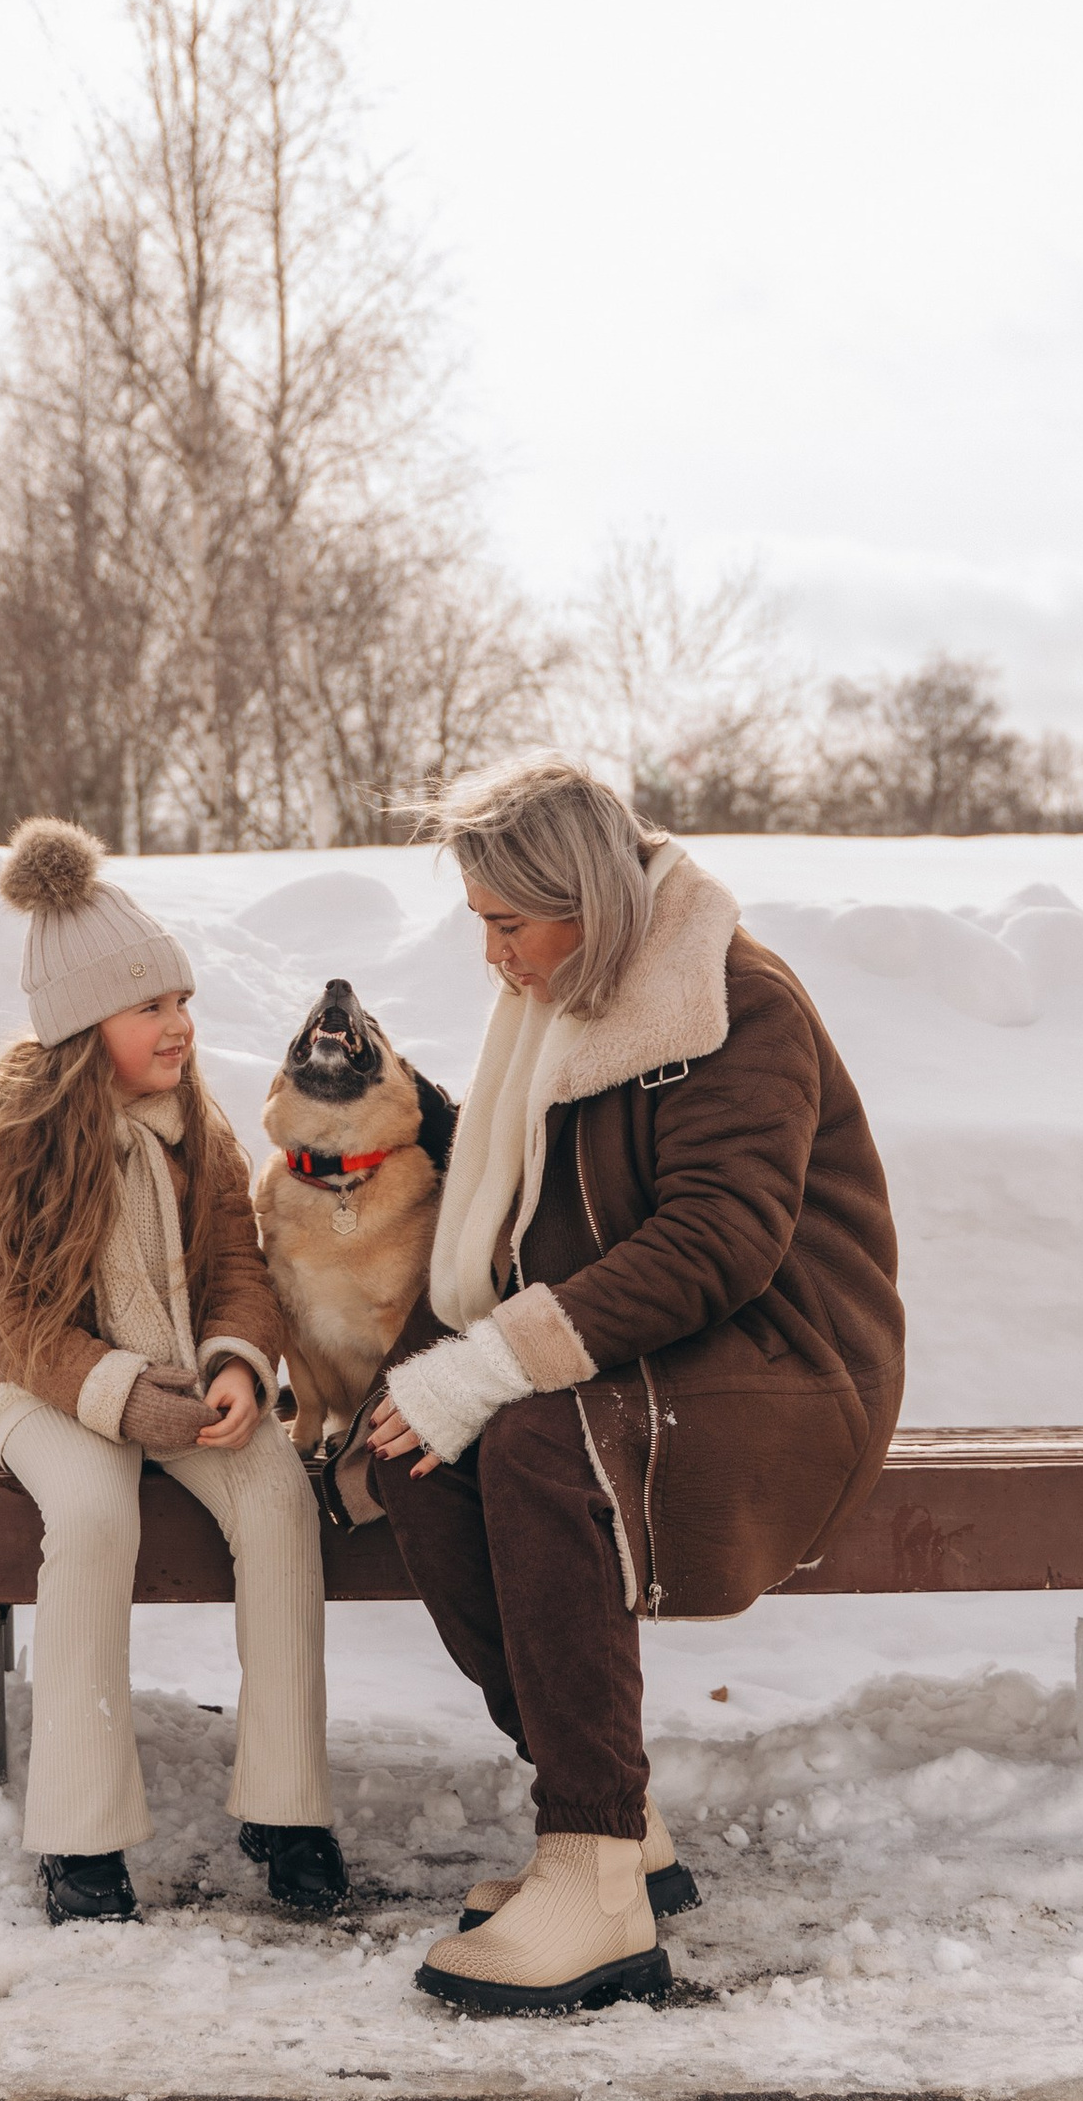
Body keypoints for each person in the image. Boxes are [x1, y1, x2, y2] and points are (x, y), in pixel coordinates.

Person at [367, 755, 902, 2014]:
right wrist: (417, 1382)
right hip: (652, 1347)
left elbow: (719, 1241)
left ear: (589, 905)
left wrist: (492, 1367)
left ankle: (595, 1866)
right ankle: (615, 1813)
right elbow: (518, 1236)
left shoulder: (730, 1002)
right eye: (480, 924)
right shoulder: (564, 1000)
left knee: (540, 1446)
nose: (493, 956)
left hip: (785, 1361)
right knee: (414, 1452)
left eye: (510, 924)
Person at [0, 817, 345, 1929]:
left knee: (276, 1498)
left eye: (181, 1000)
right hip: (45, 1392)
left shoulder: (194, 1129)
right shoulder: (13, 1139)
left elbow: (239, 1268)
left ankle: (286, 1805)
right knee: (92, 1512)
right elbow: (7, 1317)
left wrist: (234, 1365)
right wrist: (116, 1394)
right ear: (83, 1027)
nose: (179, 1025)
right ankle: (79, 1833)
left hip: (181, 1385)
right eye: (149, 1007)